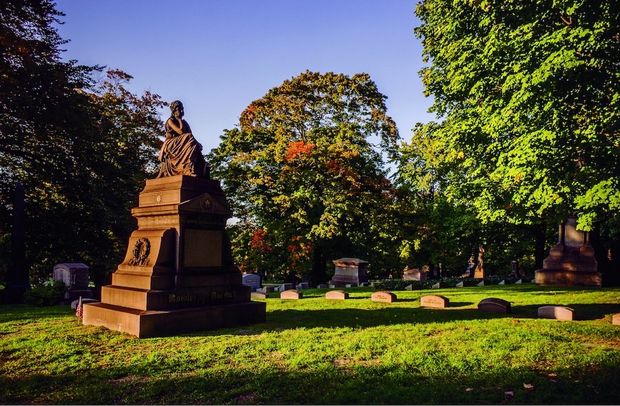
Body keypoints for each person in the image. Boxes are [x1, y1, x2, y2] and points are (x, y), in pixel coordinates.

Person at [157, 100, 209, 178]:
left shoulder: (185, 123)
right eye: (178, 109)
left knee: (194, 144)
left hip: (183, 142)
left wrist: (198, 143)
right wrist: (179, 119)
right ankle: (187, 168)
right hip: (171, 143)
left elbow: (191, 135)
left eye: (181, 109)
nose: (180, 111)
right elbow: (180, 132)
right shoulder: (171, 120)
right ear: (174, 111)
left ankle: (196, 166)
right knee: (188, 138)